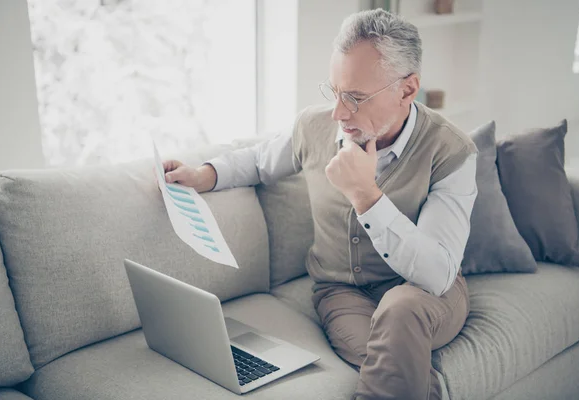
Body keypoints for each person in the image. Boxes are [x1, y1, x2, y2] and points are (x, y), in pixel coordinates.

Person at [162, 8, 478, 400]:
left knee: (401, 310)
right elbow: (259, 160)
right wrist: (205, 174)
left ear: (408, 90)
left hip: (426, 295)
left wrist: (366, 196)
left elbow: (436, 274)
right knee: (392, 365)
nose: (339, 113)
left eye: (356, 98)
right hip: (343, 294)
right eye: (335, 91)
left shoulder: (452, 151)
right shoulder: (314, 127)